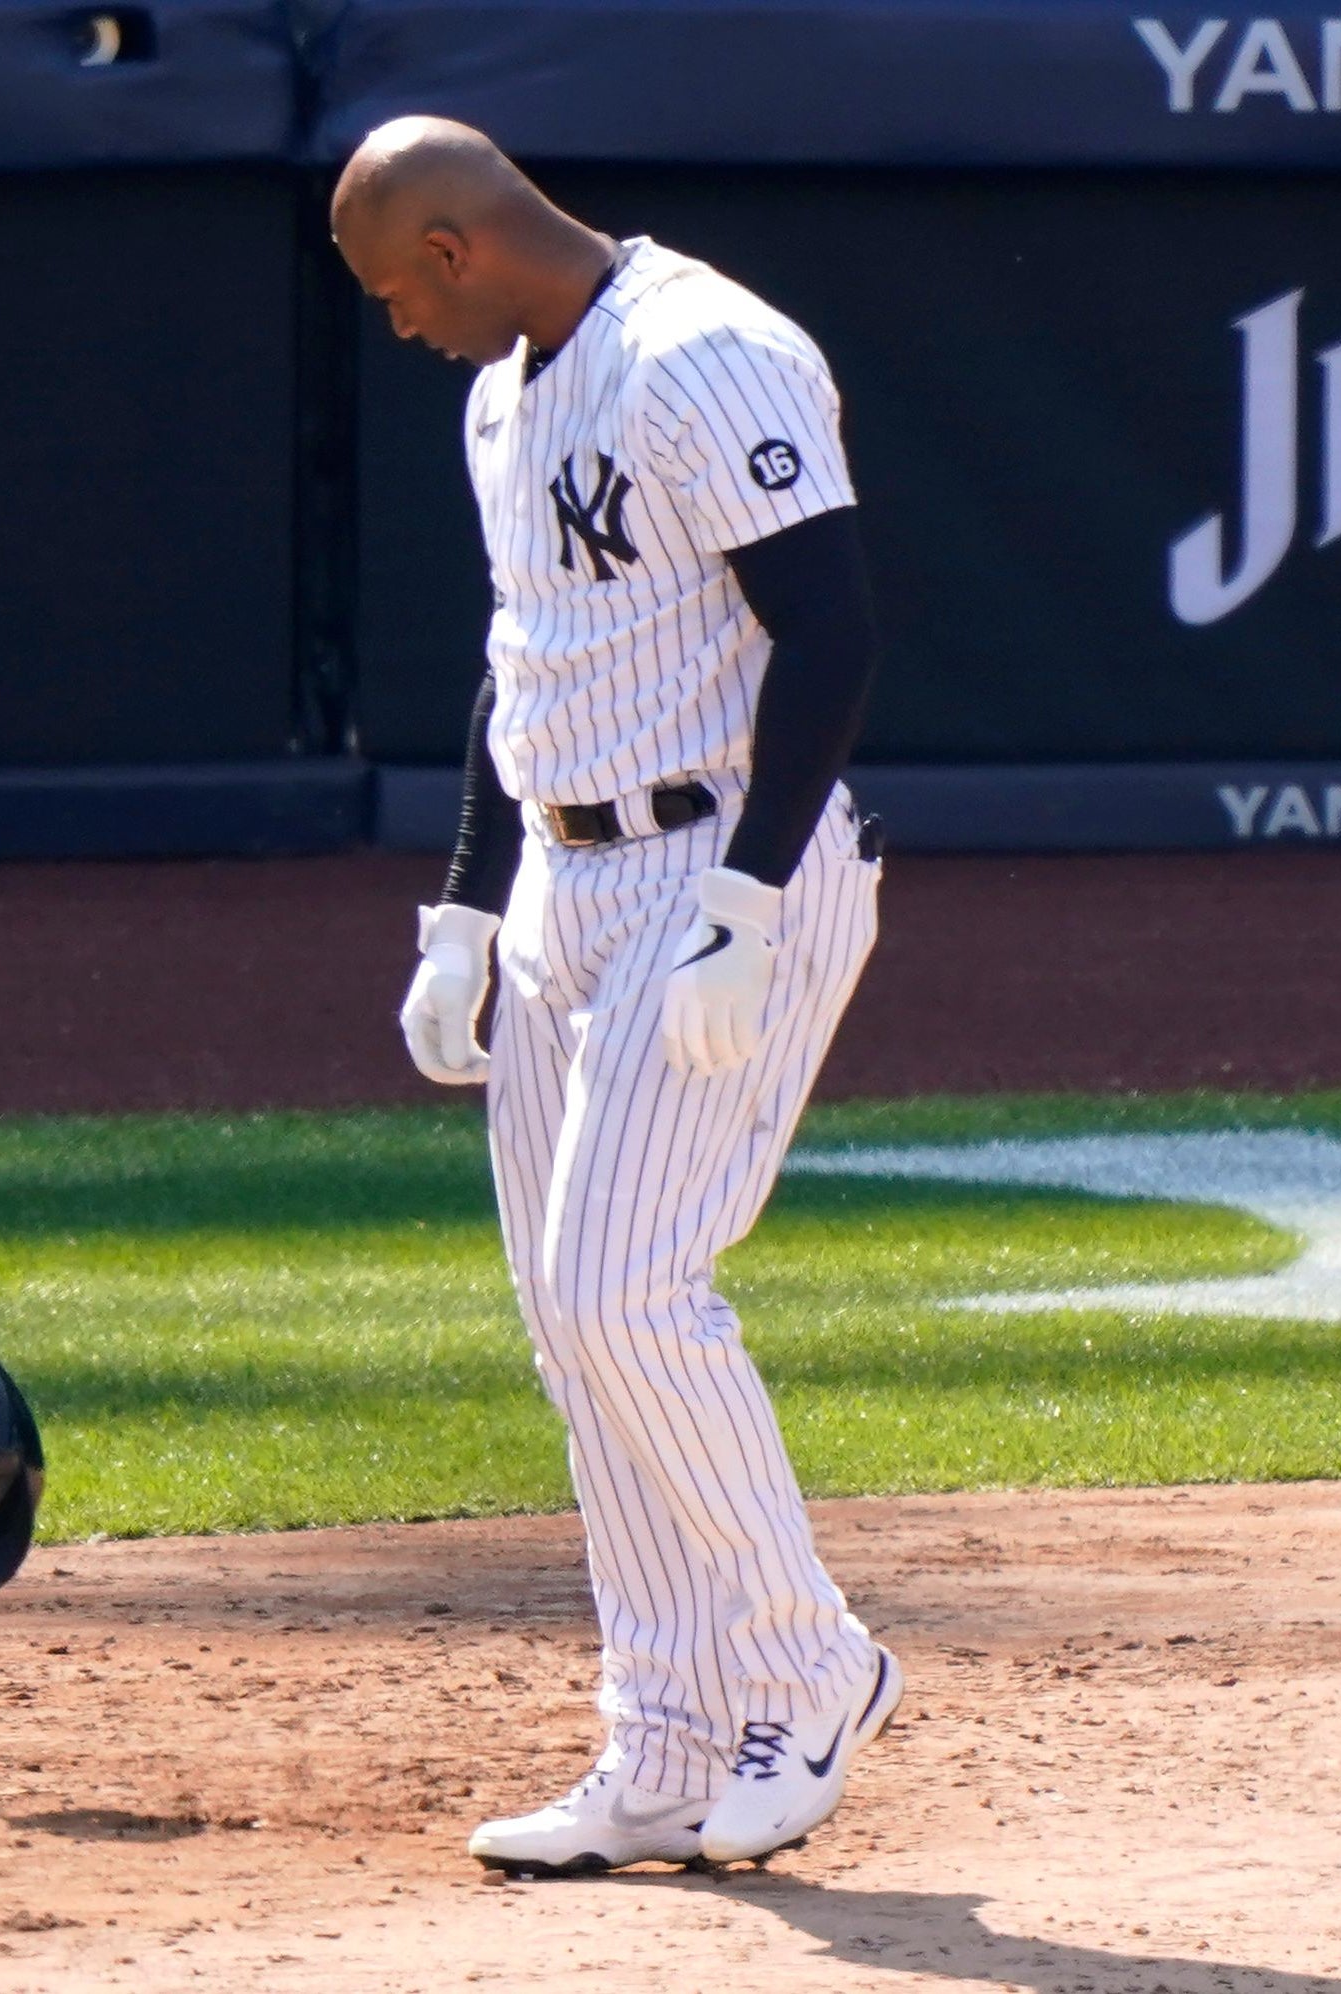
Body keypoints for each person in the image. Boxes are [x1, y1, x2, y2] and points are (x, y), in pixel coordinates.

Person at [330, 117, 897, 1874]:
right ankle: (658, 1740)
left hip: (720, 866)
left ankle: (810, 1668)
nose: (390, 327)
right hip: (567, 892)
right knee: (576, 1325)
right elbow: (529, 666)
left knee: (626, 1287)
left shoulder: (701, 351)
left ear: (450, 246)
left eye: (385, 291)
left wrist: (748, 894)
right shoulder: (503, 395)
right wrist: (463, 910)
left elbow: (835, 625)